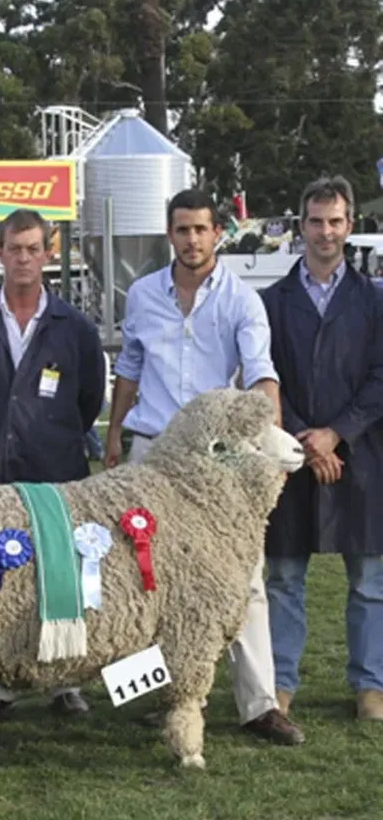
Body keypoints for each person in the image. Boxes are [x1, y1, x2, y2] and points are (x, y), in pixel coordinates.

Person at [104, 186, 303, 746]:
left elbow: (262, 379)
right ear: (169, 234)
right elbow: (130, 368)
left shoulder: (243, 299)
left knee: (245, 580)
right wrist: (115, 435)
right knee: (143, 579)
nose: (192, 239)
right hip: (152, 451)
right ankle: (158, 697)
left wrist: (272, 451)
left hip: (220, 465)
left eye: (201, 229)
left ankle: (259, 705)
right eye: (182, 229)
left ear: (218, 233)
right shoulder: (142, 294)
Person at [0, 207, 106, 717]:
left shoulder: (74, 328)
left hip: (54, 477)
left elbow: (88, 400)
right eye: (14, 248)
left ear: (47, 254)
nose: (23, 259)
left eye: (33, 249)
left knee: (57, 577)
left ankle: (64, 682)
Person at [260, 176, 383, 723]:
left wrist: (338, 433)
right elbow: (268, 379)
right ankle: (279, 685)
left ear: (349, 225)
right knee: (284, 578)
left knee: (371, 581)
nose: (325, 231)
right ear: (301, 226)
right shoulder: (270, 302)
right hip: (290, 456)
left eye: (335, 221)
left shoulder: (375, 302)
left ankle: (371, 686)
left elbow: (381, 378)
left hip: (362, 457)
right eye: (315, 221)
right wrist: (309, 436)